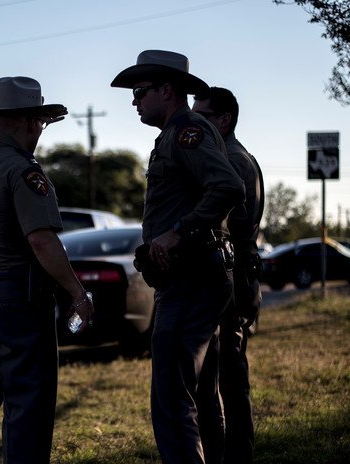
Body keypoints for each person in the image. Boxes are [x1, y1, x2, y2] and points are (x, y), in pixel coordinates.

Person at [111, 50, 245, 464]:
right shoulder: (174, 134)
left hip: (191, 278)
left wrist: (178, 232)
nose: (134, 101)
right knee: (199, 395)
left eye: (140, 92)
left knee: (171, 399)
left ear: (167, 90)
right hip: (191, 278)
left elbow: (228, 187)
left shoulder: (188, 130)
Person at [0, 76, 94, 464]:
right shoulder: (22, 169)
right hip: (15, 295)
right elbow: (42, 240)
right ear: (31, 122)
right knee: (28, 400)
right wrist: (76, 292)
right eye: (42, 123)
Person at [193, 87, 264, 464]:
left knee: (225, 384)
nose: (195, 123)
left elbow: (234, 232)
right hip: (233, 280)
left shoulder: (231, 160)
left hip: (229, 283)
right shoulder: (236, 156)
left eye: (202, 116)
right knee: (224, 381)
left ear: (224, 120)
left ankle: (231, 458)